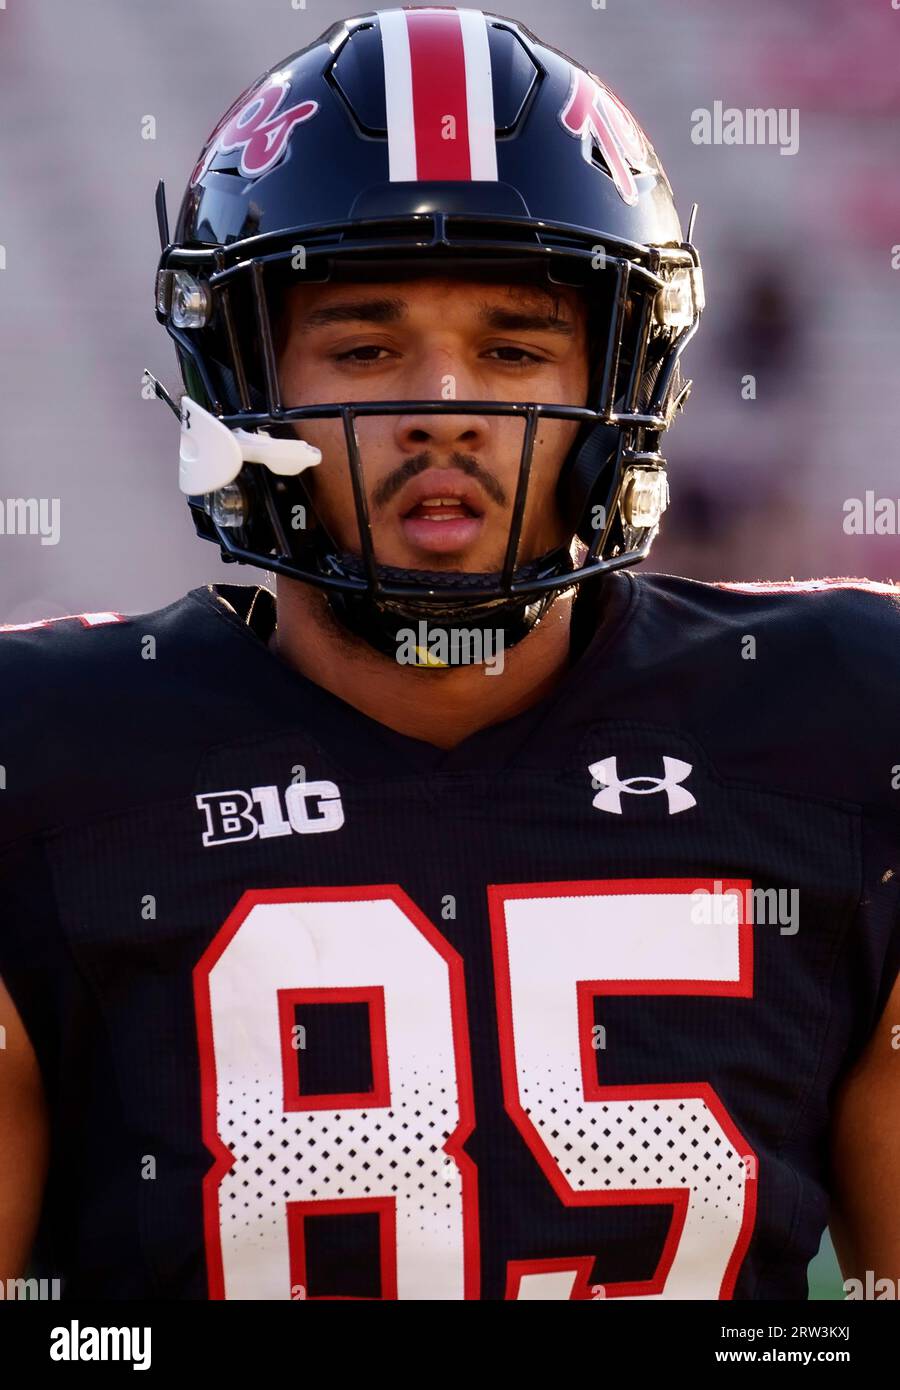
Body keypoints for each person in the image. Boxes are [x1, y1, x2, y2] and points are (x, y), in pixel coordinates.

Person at [0, 6, 897, 1302]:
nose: (446, 408)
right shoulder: (48, 760)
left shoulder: (847, 726)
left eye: (515, 348)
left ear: (625, 380)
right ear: (241, 381)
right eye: (365, 346)